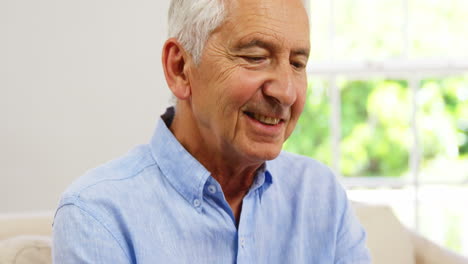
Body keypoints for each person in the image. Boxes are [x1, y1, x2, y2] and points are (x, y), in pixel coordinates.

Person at [53, 0, 371, 263]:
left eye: (298, 63)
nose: (286, 92)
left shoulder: (320, 195)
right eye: (256, 57)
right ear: (179, 68)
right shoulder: (96, 215)